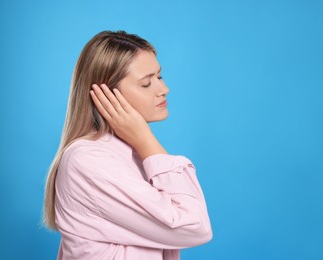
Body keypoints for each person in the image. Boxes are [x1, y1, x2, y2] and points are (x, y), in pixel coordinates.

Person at [43, 30, 212, 260]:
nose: (164, 89)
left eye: (159, 77)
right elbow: (193, 226)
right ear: (106, 94)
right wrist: (146, 140)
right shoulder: (89, 161)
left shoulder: (129, 153)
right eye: (146, 83)